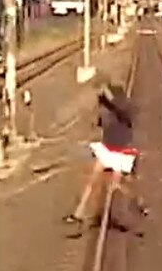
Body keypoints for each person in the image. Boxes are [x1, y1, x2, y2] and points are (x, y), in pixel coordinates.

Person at [63, 80, 147, 234]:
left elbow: (122, 110)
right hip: (108, 148)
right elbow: (101, 124)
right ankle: (78, 214)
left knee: (118, 185)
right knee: (93, 180)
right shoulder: (104, 107)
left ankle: (138, 208)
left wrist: (108, 97)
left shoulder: (122, 105)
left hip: (121, 149)